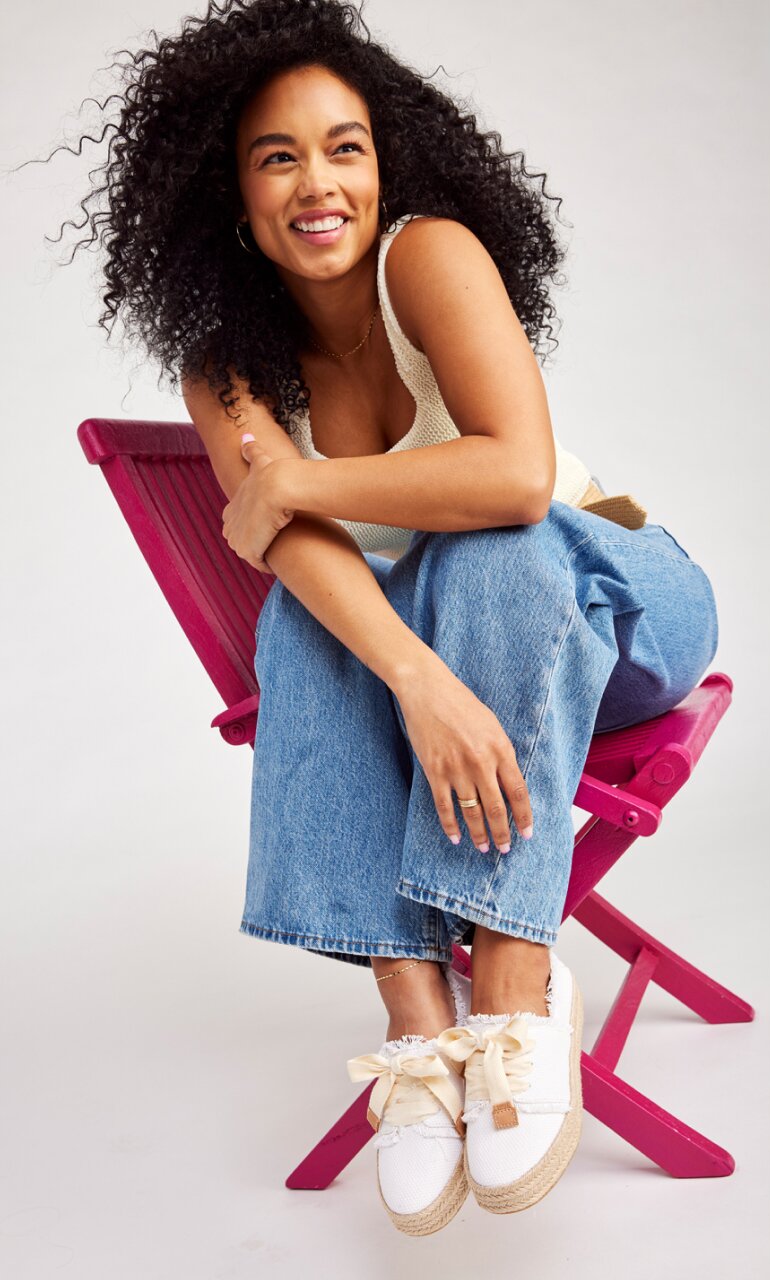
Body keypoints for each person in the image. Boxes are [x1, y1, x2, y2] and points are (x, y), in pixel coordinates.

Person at [52, 0, 718, 1234]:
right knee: (307, 620)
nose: (320, 183)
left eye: (345, 146)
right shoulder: (228, 366)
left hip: (612, 606)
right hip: (464, 667)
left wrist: (295, 476)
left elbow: (517, 475)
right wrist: (419, 679)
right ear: (231, 197)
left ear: (384, 162)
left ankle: (515, 977)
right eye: (278, 155)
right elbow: (301, 565)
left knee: (490, 543)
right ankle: (420, 1026)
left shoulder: (430, 254)